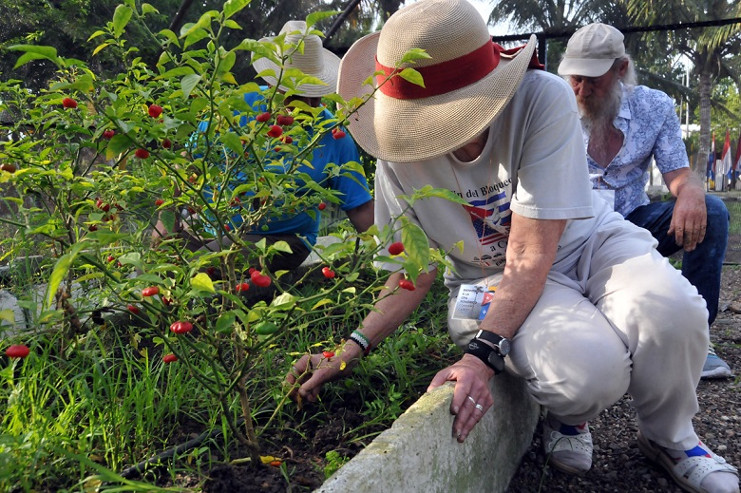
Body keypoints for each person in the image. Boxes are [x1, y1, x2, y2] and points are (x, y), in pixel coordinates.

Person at [284, 1, 740, 491]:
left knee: (674, 312)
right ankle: (569, 416)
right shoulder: (394, 152)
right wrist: (346, 350)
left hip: (584, 241)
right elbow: (411, 271)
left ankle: (670, 436)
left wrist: (479, 356)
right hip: (489, 277)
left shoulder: (541, 98)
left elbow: (532, 252)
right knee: (588, 374)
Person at [557, 23, 733, 380]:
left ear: (621, 70)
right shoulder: (553, 105)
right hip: (570, 225)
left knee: (712, 212)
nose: (582, 89)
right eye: (576, 78)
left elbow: (678, 174)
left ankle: (696, 338)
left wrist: (692, 193)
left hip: (631, 220)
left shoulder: (654, 106)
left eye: (594, 79)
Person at [152, 20, 374, 272]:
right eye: (298, 93)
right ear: (272, 85)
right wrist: (165, 218)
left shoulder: (332, 135)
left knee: (202, 269)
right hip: (215, 227)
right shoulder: (239, 107)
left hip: (285, 240)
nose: (311, 104)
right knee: (155, 268)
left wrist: (389, 249)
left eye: (316, 92)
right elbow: (189, 159)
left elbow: (360, 206)